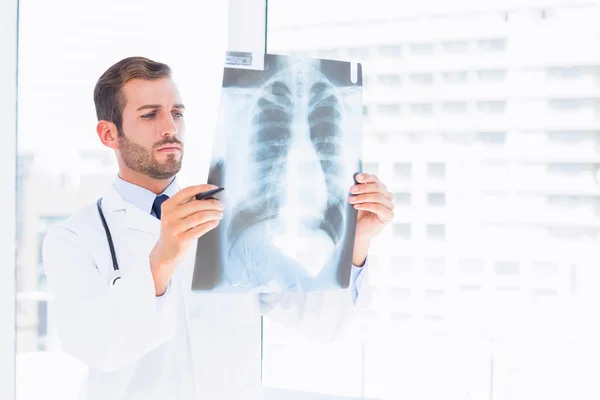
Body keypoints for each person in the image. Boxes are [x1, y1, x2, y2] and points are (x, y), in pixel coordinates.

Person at [42, 56, 395, 400]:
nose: (170, 128)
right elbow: (96, 347)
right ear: (109, 134)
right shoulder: (74, 239)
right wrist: (161, 262)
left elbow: (319, 320)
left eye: (177, 113)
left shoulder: (226, 222)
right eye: (150, 115)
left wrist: (357, 240)